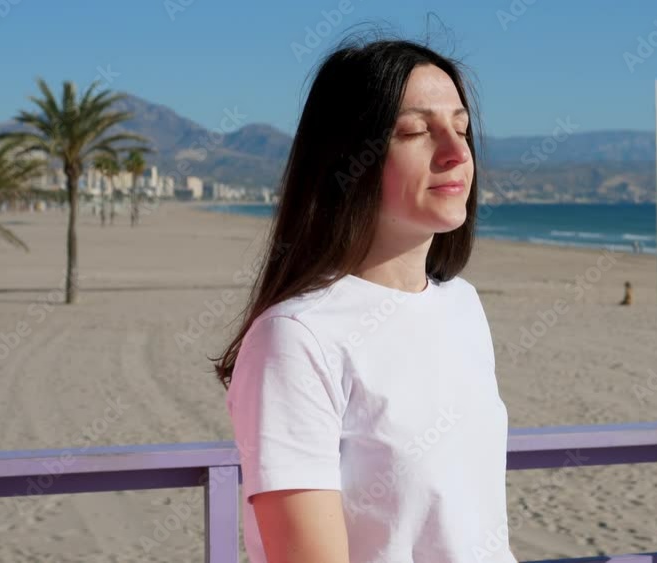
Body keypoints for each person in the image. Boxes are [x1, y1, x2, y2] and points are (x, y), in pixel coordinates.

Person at [214, 36, 517, 563]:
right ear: (350, 159)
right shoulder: (297, 337)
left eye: (462, 128)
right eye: (416, 131)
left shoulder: (463, 306)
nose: (456, 152)